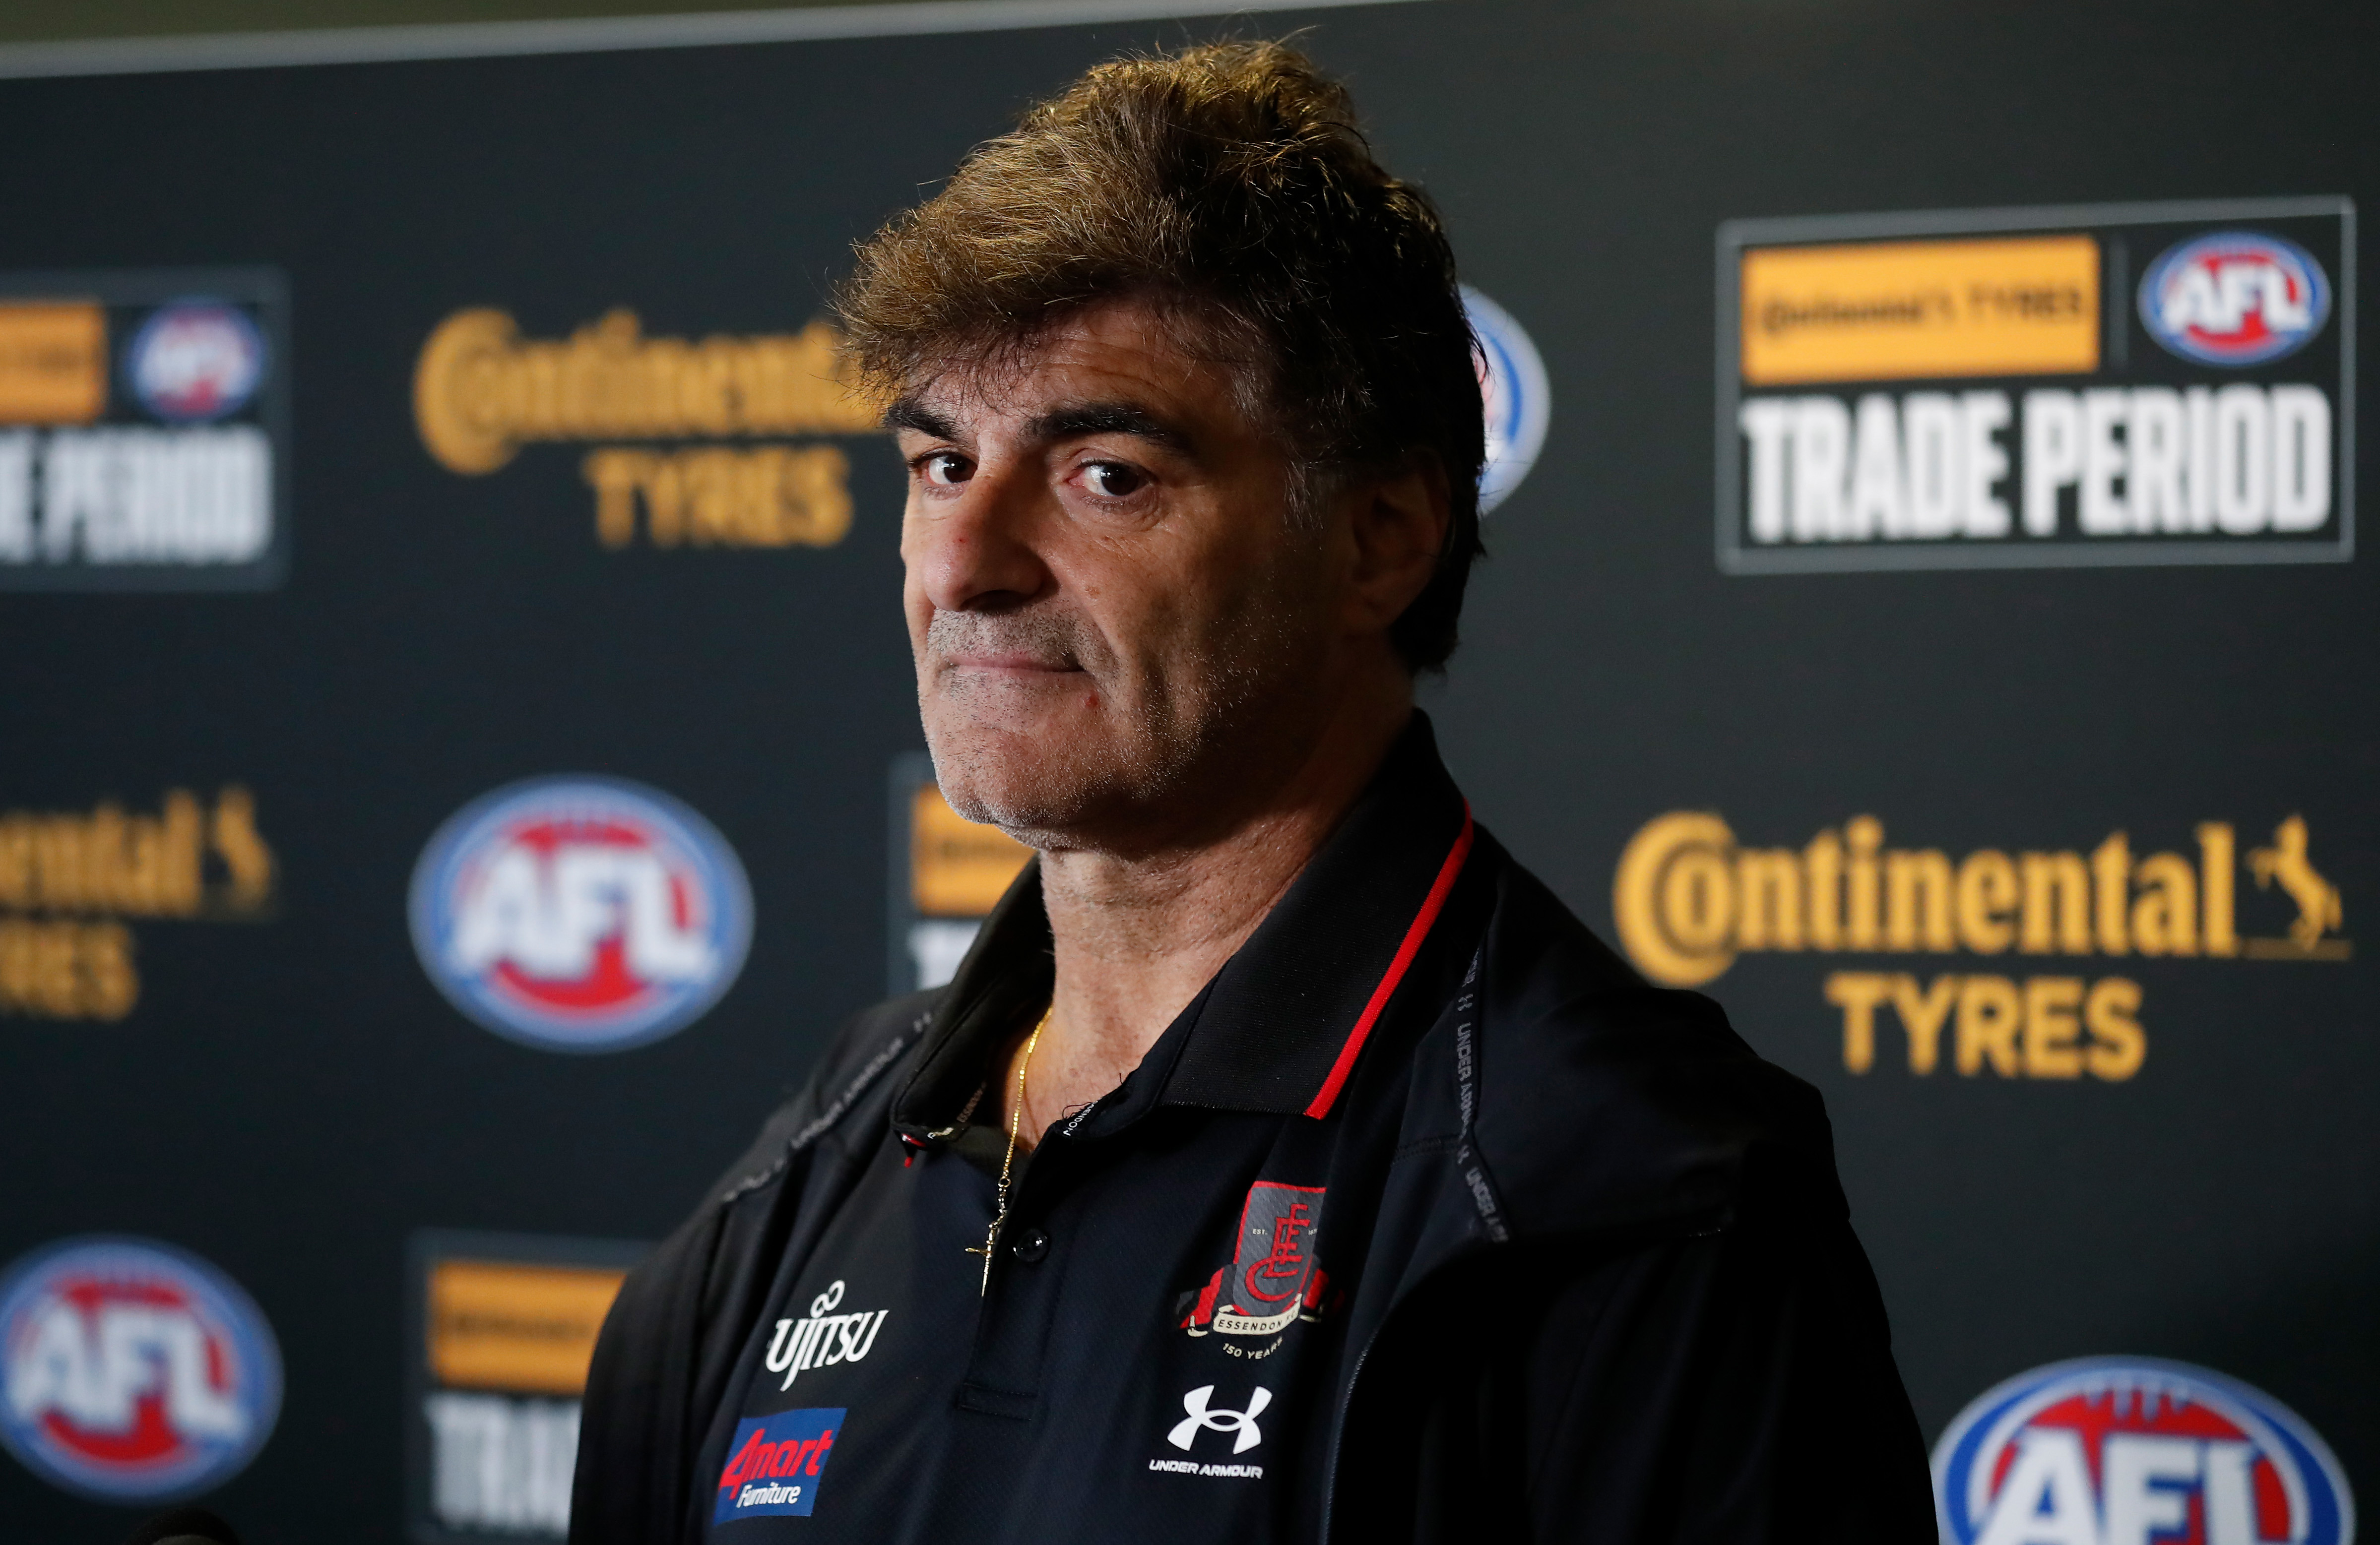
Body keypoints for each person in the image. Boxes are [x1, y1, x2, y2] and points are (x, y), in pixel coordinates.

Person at [572, 39, 1934, 1544]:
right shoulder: (814, 1161)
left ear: (1380, 540)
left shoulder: (1614, 1194)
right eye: (941, 463)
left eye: (1107, 474)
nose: (968, 565)